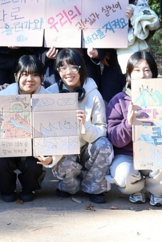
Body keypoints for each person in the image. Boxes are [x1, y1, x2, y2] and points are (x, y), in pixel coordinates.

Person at [41, 48, 113, 203]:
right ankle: (69, 185)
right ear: (58, 71)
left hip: (87, 147)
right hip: (65, 148)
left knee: (104, 145)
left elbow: (102, 129)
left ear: (81, 69)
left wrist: (85, 125)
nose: (69, 72)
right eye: (63, 67)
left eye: (73, 67)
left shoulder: (94, 94)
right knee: (61, 153)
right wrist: (7, 90)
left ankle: (93, 185)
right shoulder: (50, 93)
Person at [105, 51, 162, 207]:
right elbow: (115, 139)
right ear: (129, 74)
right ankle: (135, 190)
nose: (142, 75)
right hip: (128, 155)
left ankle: (156, 191)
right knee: (123, 174)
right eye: (136, 70)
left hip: (156, 155)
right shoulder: (118, 100)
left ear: (153, 73)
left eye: (147, 70)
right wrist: (128, 123)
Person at [0, 54, 48, 202]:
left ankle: (29, 187)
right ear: (16, 76)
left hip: (34, 145)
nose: (30, 79)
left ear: (42, 78)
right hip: (7, 144)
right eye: (24, 74)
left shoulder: (49, 98)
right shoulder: (1, 97)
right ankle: (6, 187)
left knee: (35, 162)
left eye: (35, 75)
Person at [107, 0, 161, 72]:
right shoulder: (102, 1)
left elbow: (149, 30)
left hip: (133, 56)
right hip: (111, 58)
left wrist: (134, 17)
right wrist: (101, 53)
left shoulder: (138, 0)